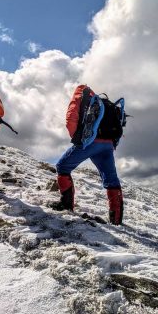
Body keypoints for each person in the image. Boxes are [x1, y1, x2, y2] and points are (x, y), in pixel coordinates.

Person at [55, 85, 124, 225]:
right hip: (108, 145)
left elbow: (71, 118)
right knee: (111, 180)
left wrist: (77, 139)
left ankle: (66, 206)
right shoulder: (102, 103)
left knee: (62, 167)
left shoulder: (81, 95)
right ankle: (116, 221)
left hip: (90, 142)